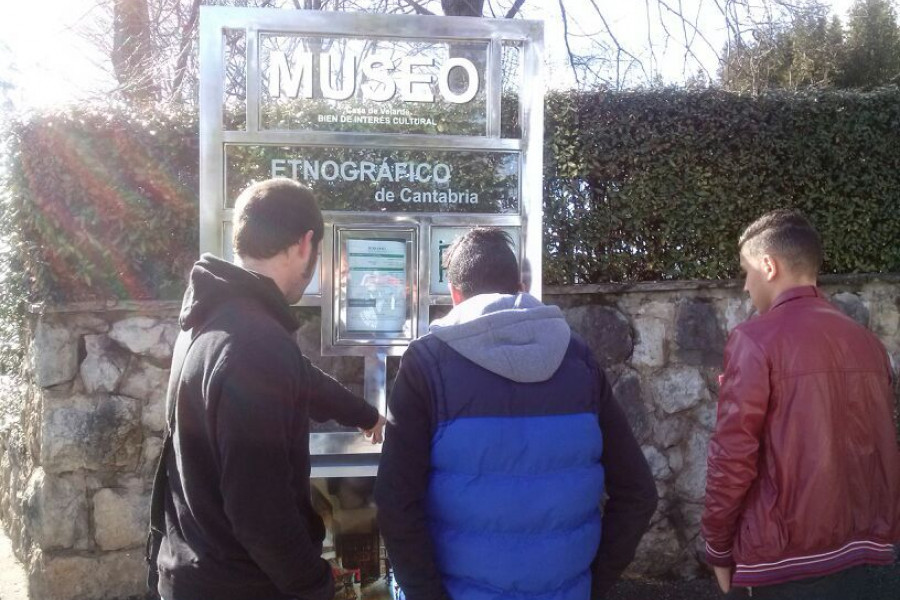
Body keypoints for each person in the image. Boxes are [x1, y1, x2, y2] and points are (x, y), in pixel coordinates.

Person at [375, 227, 658, 600]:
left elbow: (395, 502)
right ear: (521, 286)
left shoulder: (427, 364)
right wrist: (593, 582)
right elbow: (639, 493)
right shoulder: (580, 360)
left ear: (455, 295)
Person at [151, 178, 385, 600]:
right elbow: (260, 512)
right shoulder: (256, 345)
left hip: (194, 568)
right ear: (305, 243)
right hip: (242, 584)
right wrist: (314, 587)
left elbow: (300, 378)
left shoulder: (216, 314)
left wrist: (365, 415)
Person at [702, 209, 900, 599]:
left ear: (768, 265)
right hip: (875, 557)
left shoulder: (753, 340)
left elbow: (732, 456)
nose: (745, 286)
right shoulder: (869, 344)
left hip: (785, 564)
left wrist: (717, 547)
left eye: (746, 270)